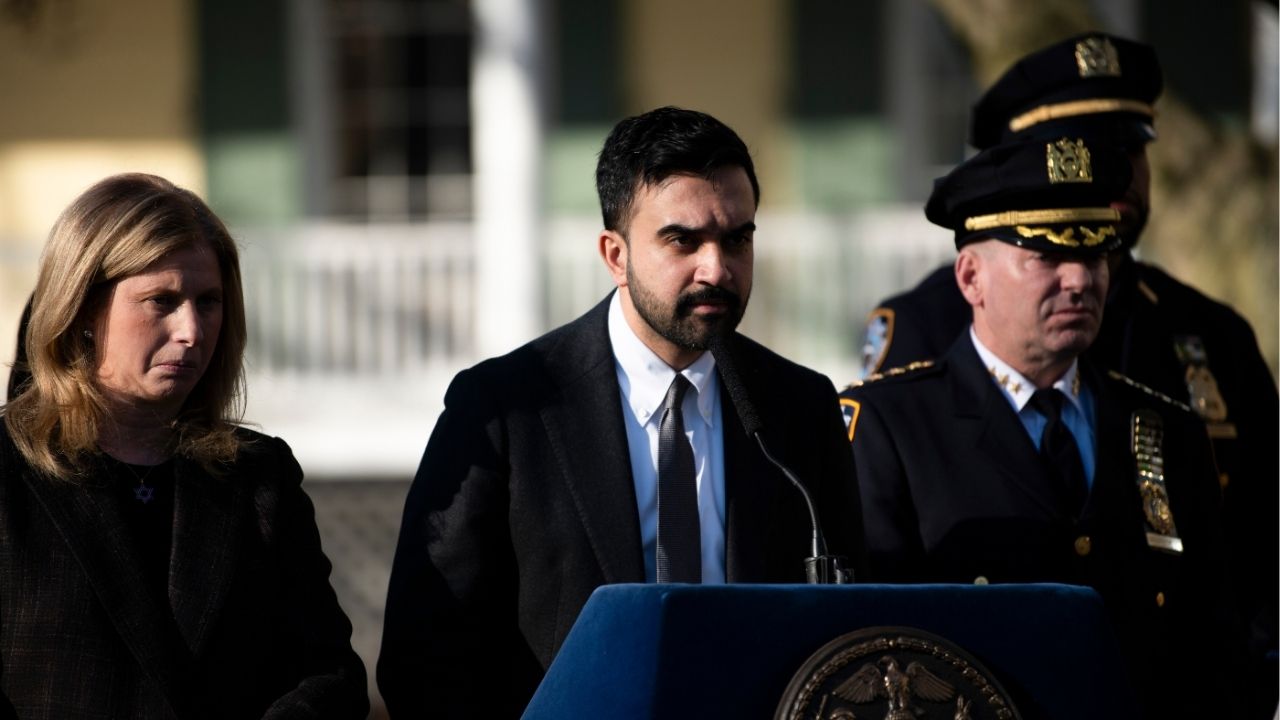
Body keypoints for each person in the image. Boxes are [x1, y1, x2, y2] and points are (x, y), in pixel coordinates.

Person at [378, 106, 864, 717]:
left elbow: (852, 629)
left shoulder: (798, 406)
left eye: (737, 238)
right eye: (682, 240)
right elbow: (426, 654)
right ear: (615, 255)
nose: (717, 268)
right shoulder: (506, 407)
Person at [858, 33, 1278, 707]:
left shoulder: (1172, 409)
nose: (1080, 280)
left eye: (1095, 253)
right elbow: (871, 640)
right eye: (1048, 256)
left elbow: (1223, 621)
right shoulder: (894, 413)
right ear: (971, 277)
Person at [0, 174, 369, 719]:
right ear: (80, 309)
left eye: (209, 301)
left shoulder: (257, 476)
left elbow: (329, 676)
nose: (192, 330)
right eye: (161, 300)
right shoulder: (10, 472)